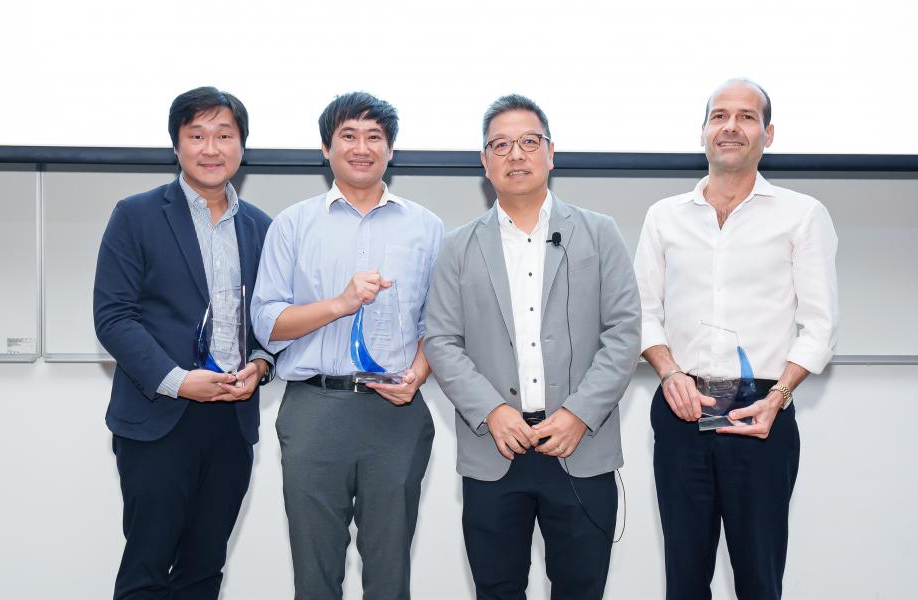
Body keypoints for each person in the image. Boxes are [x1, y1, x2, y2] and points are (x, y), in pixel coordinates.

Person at [424, 94, 641, 599]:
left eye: (528, 142)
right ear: (484, 161)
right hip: (494, 447)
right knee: (497, 590)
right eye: (500, 144)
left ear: (550, 152)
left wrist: (580, 414)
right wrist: (493, 411)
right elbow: (441, 339)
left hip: (580, 447)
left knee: (580, 589)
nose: (515, 154)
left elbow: (625, 332)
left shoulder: (599, 233)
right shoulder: (458, 246)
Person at [634, 79, 839, 599]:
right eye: (718, 116)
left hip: (762, 412)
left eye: (746, 117)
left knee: (759, 578)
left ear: (767, 134)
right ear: (702, 132)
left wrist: (780, 397)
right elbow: (641, 312)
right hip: (682, 407)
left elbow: (820, 325)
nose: (730, 126)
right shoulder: (664, 217)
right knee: (684, 578)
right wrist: (669, 373)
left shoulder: (802, 214)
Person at [251, 91, 442, 600]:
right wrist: (339, 303)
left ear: (391, 149)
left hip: (395, 414)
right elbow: (267, 322)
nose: (362, 148)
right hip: (314, 409)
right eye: (348, 136)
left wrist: (418, 375)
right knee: (315, 574)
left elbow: (441, 324)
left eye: (374, 137)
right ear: (325, 147)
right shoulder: (292, 224)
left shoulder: (427, 227)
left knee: (389, 572)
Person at [93, 86, 274, 600]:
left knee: (204, 569)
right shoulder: (137, 215)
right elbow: (113, 316)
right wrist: (178, 381)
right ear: (176, 144)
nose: (211, 148)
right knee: (147, 568)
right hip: (158, 418)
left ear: (242, 146)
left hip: (232, 421)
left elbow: (269, 321)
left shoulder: (261, 227)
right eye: (197, 135)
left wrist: (260, 366)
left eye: (224, 135)